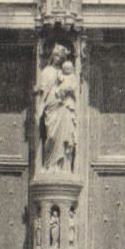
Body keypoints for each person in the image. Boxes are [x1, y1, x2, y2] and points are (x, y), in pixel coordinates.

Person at [35, 45, 78, 173]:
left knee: (64, 133)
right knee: (51, 135)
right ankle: (49, 164)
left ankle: (62, 165)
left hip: (63, 105)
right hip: (51, 105)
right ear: (52, 56)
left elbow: (72, 87)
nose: (58, 58)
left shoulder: (66, 72)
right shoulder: (47, 71)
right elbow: (42, 91)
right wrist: (39, 107)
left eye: (61, 56)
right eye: (56, 55)